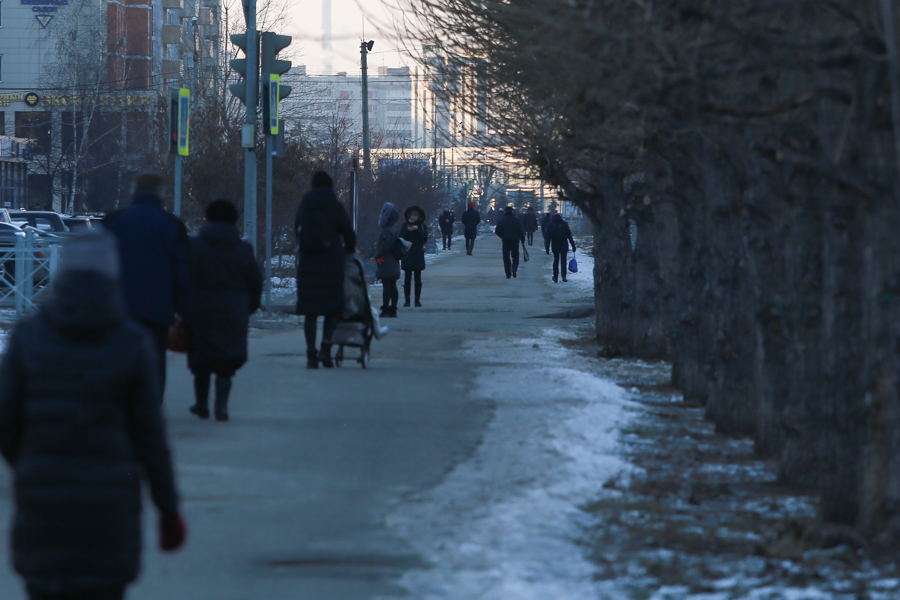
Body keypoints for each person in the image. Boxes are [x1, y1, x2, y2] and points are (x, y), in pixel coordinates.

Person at [0, 230, 185, 600]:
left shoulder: (27, 337)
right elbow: (150, 436)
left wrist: (30, 464)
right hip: (110, 507)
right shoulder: (131, 342)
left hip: (43, 503)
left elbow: (5, 418)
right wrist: (168, 509)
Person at [103, 171, 191, 396]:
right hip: (158, 309)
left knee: (119, 357)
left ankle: (121, 403)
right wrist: (185, 311)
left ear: (134, 191)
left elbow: (100, 266)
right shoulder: (172, 225)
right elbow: (182, 272)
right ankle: (151, 406)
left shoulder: (113, 221)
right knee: (154, 359)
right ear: (161, 193)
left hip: (119, 307)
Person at [186, 200, 263, 422]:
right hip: (233, 309)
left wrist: (183, 307)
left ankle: (201, 404)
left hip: (200, 308)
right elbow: (255, 282)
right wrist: (249, 307)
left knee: (201, 359)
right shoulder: (243, 249)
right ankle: (221, 407)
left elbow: (184, 278)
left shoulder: (195, 246)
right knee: (226, 361)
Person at [295, 171, 357, 369]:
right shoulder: (335, 207)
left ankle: (310, 355)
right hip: (331, 263)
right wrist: (347, 250)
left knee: (310, 312)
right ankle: (325, 349)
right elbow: (348, 233)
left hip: (308, 264)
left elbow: (296, 229)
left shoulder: (304, 206)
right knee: (331, 310)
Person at [375, 202, 402, 318]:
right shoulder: (393, 230)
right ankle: (393, 309)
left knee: (387, 286)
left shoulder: (386, 231)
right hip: (394, 261)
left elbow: (385, 246)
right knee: (393, 285)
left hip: (387, 261)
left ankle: (386, 309)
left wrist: (377, 255)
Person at [400, 205, 428, 307]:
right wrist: (408, 230)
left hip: (418, 254)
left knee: (418, 279)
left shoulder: (422, 226)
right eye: (412, 215)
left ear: (419, 216)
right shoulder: (405, 225)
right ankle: (407, 300)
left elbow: (424, 239)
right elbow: (401, 237)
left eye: (416, 216)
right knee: (407, 279)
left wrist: (417, 230)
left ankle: (417, 300)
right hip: (407, 255)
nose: (414, 217)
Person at [494, 205, 525, 279]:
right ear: (512, 212)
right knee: (515, 255)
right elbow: (521, 231)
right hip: (515, 240)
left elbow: (497, 231)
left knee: (506, 257)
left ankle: (508, 273)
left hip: (506, 241)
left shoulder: (502, 220)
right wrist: (522, 240)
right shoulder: (517, 220)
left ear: (505, 212)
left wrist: (502, 236)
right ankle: (514, 268)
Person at [549, 212, 577, 282]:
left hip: (555, 245)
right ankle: (564, 276)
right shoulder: (564, 224)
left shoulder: (551, 224)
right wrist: (573, 246)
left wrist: (547, 247)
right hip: (564, 244)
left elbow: (548, 237)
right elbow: (569, 236)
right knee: (563, 261)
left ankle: (555, 277)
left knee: (556, 260)